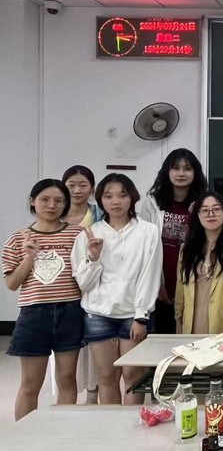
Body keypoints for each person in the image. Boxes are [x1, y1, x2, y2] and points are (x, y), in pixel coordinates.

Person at [72, 174, 161, 405]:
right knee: (106, 377)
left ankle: (131, 425)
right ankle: (111, 424)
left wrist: (141, 315)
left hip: (133, 314)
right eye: (108, 196)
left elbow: (150, 274)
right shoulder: (89, 233)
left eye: (122, 195)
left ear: (132, 198)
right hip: (98, 314)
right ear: (100, 200)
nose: (115, 201)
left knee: (134, 376)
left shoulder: (148, 231)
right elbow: (83, 284)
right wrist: (93, 258)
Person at [3, 179, 83, 420]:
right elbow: (11, 284)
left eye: (59, 201)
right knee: (30, 384)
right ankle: (25, 438)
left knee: (67, 378)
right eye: (45, 199)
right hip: (33, 315)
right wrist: (28, 258)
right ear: (32, 202)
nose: (51, 205)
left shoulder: (76, 234)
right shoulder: (17, 238)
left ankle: (61, 435)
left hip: (70, 311)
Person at [140, 148, 207, 334]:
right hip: (160, 278)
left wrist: (196, 217)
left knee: (190, 336)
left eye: (187, 168)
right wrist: (156, 285)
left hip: (193, 278)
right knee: (161, 337)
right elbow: (144, 245)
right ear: (167, 171)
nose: (181, 173)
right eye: (176, 168)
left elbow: (209, 241)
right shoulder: (152, 202)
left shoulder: (204, 203)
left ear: (195, 172)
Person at [176, 192, 223, 335]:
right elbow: (180, 288)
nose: (211, 214)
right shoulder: (187, 248)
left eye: (216, 209)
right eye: (204, 210)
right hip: (192, 322)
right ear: (198, 215)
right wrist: (178, 319)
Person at [61, 165, 101, 404]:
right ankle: (67, 395)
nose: (76, 190)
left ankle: (92, 395)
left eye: (82, 185)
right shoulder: (55, 213)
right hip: (62, 289)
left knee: (93, 347)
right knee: (66, 350)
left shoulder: (99, 215)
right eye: (71, 185)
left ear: (92, 189)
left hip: (91, 286)